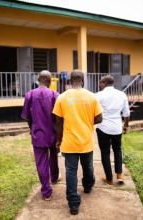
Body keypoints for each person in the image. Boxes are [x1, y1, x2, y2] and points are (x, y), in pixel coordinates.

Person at [53, 70, 102, 215]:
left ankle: (73, 205)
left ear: (69, 81)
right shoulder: (91, 97)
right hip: (86, 141)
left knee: (70, 172)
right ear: (83, 80)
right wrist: (87, 122)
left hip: (69, 143)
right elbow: (99, 119)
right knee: (88, 166)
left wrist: (59, 140)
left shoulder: (62, 97)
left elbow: (58, 122)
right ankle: (87, 186)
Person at [21, 70, 60, 201]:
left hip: (38, 134)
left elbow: (27, 117)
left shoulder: (29, 95)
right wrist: (59, 135)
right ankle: (54, 178)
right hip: (53, 133)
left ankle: (46, 191)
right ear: (49, 81)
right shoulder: (55, 94)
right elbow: (58, 118)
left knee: (41, 162)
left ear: (38, 80)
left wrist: (31, 129)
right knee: (54, 156)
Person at [95, 75, 130, 185]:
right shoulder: (121, 94)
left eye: (101, 82)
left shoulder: (98, 95)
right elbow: (126, 114)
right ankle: (119, 175)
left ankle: (109, 178)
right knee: (117, 150)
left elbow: (94, 113)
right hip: (116, 128)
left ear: (104, 83)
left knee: (105, 153)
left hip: (103, 128)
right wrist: (125, 126)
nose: (100, 85)